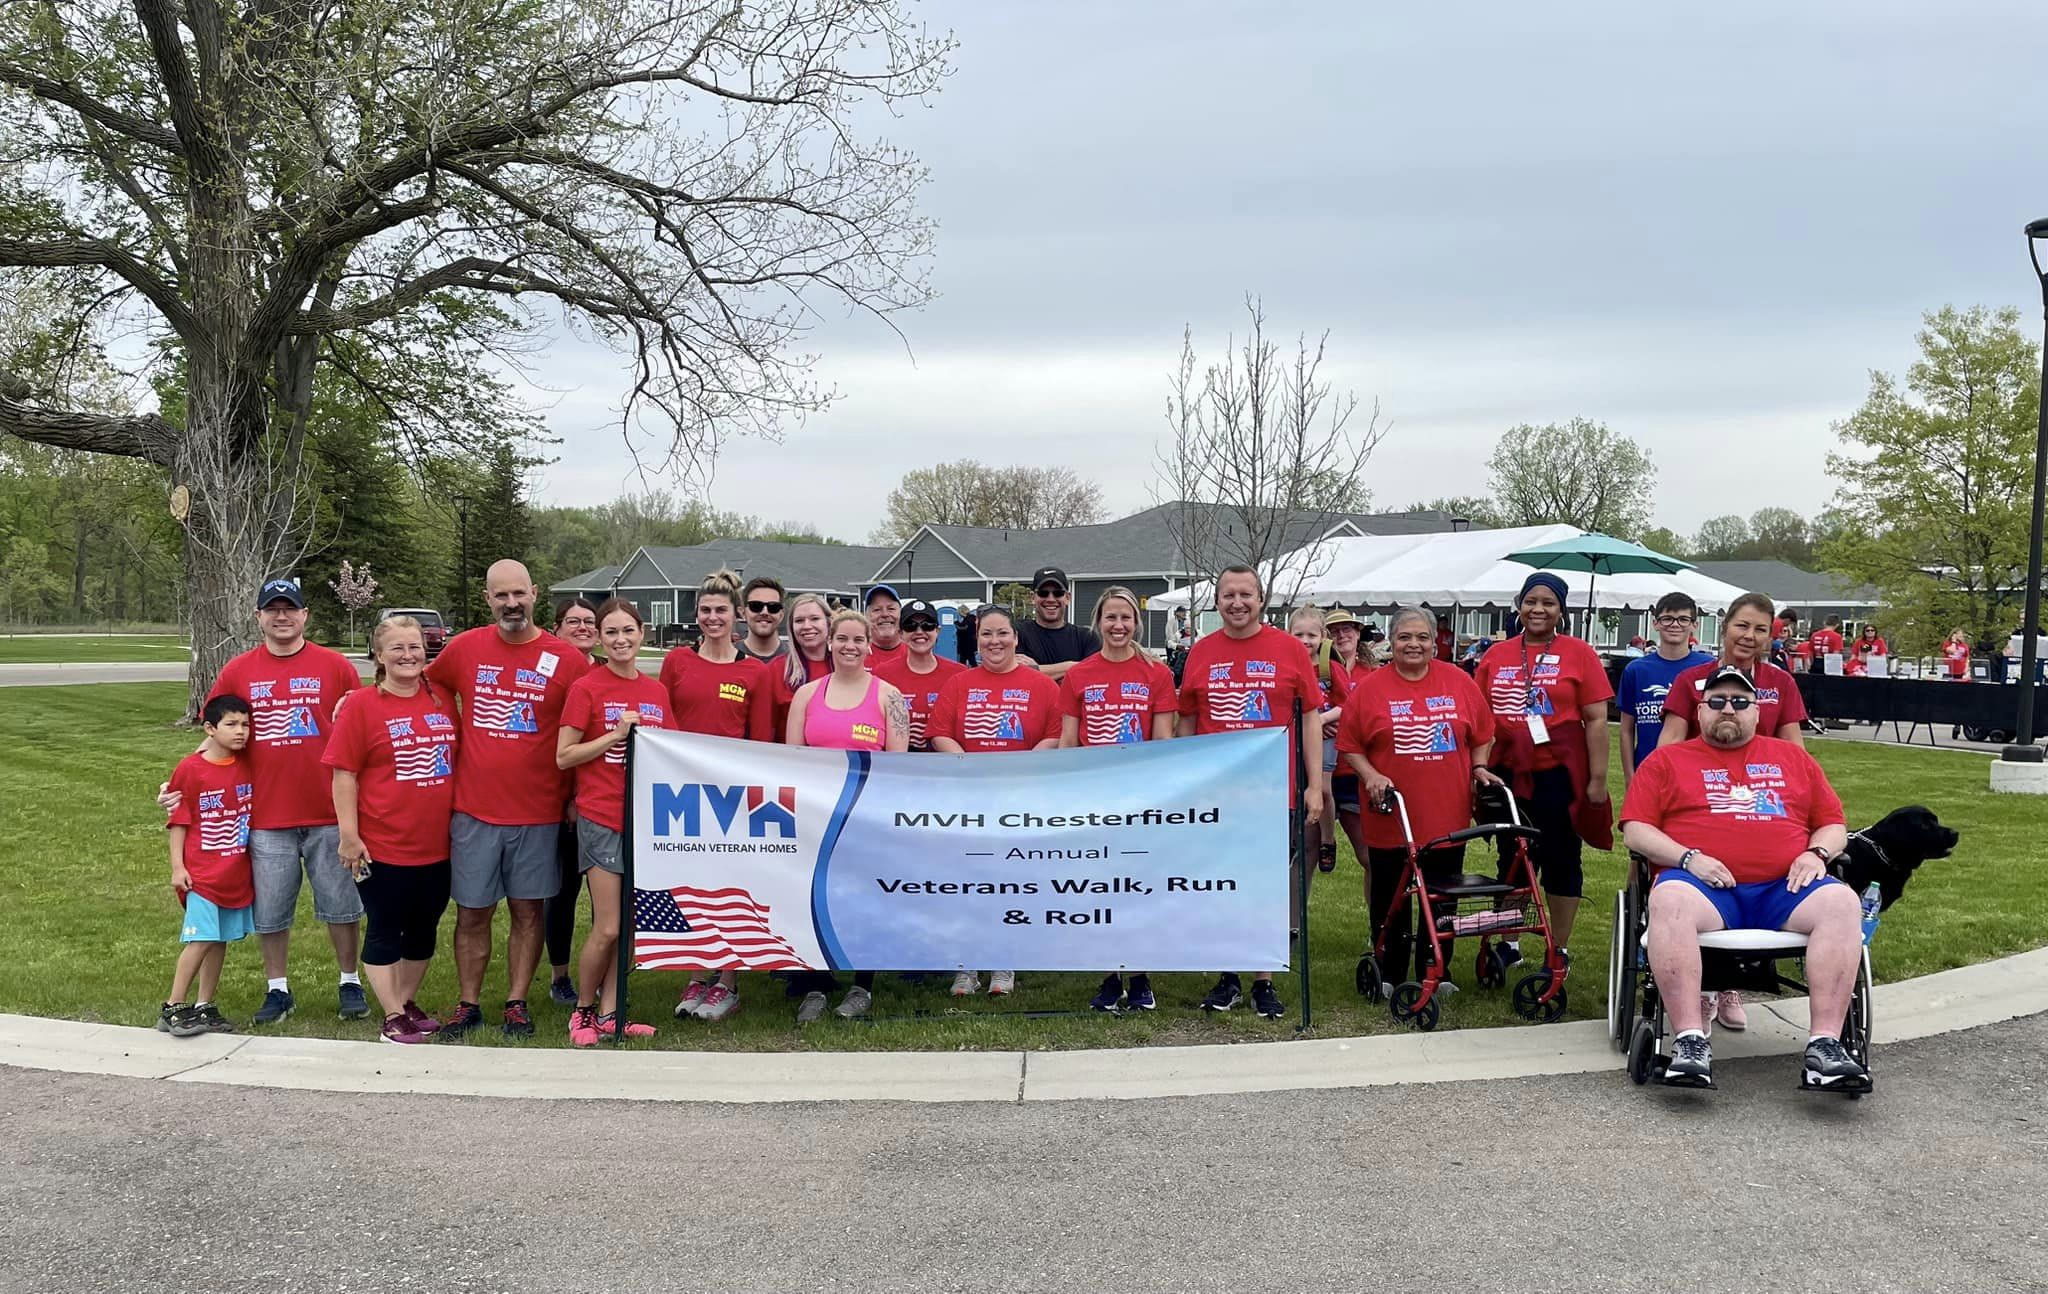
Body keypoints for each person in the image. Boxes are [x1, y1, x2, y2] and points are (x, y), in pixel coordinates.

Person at [1620, 665, 1866, 1091]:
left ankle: (1825, 1046)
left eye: (1739, 702)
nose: (1728, 709)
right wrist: (1688, 857)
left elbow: (1833, 825)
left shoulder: (1793, 758)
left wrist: (1817, 852)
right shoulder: (1667, 760)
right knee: (1670, 899)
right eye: (1716, 702)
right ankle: (1690, 1041)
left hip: (1783, 890)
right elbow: (1635, 829)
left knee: (1842, 902)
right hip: (1704, 893)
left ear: (1756, 711)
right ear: (1699, 712)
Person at [425, 559, 593, 1039]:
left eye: (519, 593)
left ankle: (517, 1001)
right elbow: (428, 685)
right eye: (501, 596)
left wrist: (575, 795)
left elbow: (587, 726)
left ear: (535, 593)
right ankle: (468, 1002)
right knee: (472, 912)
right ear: (488, 599)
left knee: (528, 912)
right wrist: (448, 731)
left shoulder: (566, 658)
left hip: (539, 812)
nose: (512, 603)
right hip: (475, 809)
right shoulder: (465, 648)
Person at [190, 577, 369, 1026]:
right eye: (273, 609)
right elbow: (215, 735)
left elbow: (359, 731)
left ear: (306, 615)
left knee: (341, 905)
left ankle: (350, 981)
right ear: (259, 618)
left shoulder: (336, 667)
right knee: (271, 911)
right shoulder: (238, 671)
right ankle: (278, 990)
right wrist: (187, 778)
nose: (282, 616)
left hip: (329, 811)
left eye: (291, 608)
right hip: (267, 814)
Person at [1175, 564, 1325, 1019]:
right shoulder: (1201, 652)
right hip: (1217, 794)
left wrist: (1315, 785)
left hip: (1273, 790)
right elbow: (1187, 721)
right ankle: (1227, 976)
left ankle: (1263, 979)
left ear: (1261, 600)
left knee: (1265, 888)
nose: (1237, 603)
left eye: (1246, 594)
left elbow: (1312, 717)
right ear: (1217, 602)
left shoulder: (1288, 649)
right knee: (1223, 885)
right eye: (1228, 595)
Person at [1338, 607, 1501, 994]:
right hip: (1391, 814)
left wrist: (1479, 768)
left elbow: (1483, 734)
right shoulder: (1371, 689)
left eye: (1422, 637)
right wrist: (1371, 774)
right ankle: (1389, 970)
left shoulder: (1458, 682)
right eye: (1405, 637)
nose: (1414, 644)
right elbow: (1350, 746)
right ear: (1390, 643)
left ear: (1434, 642)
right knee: (1390, 896)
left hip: (1446, 813)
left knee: (1442, 897)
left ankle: (1437, 969)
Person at [322, 616, 459, 1045]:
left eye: (414, 646)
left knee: (424, 929)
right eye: (396, 648)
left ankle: (407, 1002)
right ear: (378, 656)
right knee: (385, 927)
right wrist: (349, 835)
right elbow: (344, 774)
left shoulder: (442, 701)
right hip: (382, 844)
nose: (408, 655)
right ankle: (392, 1016)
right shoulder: (361, 706)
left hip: (437, 844)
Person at [1473, 572, 1613, 975]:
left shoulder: (1579, 652)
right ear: (1519, 605)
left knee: (1561, 857)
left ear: (1561, 610)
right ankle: (1510, 941)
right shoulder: (1496, 655)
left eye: (1548, 602)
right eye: (1531, 600)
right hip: (1507, 773)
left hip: (1559, 773)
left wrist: (1598, 780)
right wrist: (1477, 767)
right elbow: (1480, 719)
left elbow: (1597, 720)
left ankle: (1559, 947)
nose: (1538, 609)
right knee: (1512, 857)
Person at [930, 604, 1063, 998]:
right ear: (977, 639)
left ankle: (1004, 962)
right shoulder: (960, 683)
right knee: (968, 882)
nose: (994, 641)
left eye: (1002, 633)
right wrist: (969, 765)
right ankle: (966, 966)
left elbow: (1055, 735)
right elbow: (939, 732)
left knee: (1010, 883)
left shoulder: (1042, 686)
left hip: (1020, 800)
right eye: (987, 634)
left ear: (1016, 638)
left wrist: (1020, 768)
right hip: (969, 800)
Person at [1057, 586, 1178, 1013]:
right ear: (1099, 623)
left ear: (1137, 623)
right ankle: (1109, 976)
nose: (1118, 626)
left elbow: (1163, 742)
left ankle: (1142, 977)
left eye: (1126, 618)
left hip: (1139, 799)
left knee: (1137, 888)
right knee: (1099, 890)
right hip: (1093, 798)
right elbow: (1069, 742)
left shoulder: (1156, 674)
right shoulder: (1079, 675)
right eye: (1111, 618)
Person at [785, 609, 910, 1021]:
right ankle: (817, 986)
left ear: (869, 645)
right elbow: (792, 761)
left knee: (865, 902)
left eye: (858, 640)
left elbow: (897, 767)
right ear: (830, 643)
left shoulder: (888, 697)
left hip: (866, 818)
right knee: (815, 899)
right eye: (842, 639)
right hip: (818, 818)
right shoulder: (807, 695)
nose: (850, 646)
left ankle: (862, 985)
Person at [558, 598, 672, 1046]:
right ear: (600, 639)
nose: (621, 640)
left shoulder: (656, 691)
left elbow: (671, 750)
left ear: (642, 633)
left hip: (643, 820)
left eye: (629, 631)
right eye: (612, 633)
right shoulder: (587, 688)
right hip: (602, 816)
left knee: (631, 926)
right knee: (607, 926)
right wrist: (614, 735)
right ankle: (582, 1011)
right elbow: (564, 755)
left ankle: (612, 1012)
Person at [662, 571, 775, 1021]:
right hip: (679, 793)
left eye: (721, 611)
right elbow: (660, 727)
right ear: (697, 614)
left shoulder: (754, 671)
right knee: (689, 887)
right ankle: (696, 973)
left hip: (731, 799)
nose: (713, 618)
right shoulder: (677, 663)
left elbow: (762, 740)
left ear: (737, 617)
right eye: (706, 610)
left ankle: (727, 980)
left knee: (728, 887)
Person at [158, 694, 256, 1037]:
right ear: (210, 729)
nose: (240, 731)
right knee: (200, 940)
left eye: (245, 724)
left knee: (220, 941)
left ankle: (204, 1005)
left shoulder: (249, 764)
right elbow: (179, 821)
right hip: (201, 875)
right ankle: (173, 1006)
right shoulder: (191, 768)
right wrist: (177, 868)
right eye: (231, 724)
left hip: (236, 875)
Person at [543, 595, 603, 1007]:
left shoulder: (607, 673)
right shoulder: (548, 672)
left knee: (606, 897)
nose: (582, 627)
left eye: (589, 621)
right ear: (557, 628)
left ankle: (602, 974)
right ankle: (560, 975)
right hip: (555, 793)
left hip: (598, 799)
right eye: (572, 621)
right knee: (562, 892)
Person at [1658, 592, 1809, 750]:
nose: (1750, 636)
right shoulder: (1688, 680)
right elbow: (1669, 745)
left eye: (1760, 629)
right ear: (1725, 627)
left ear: (1769, 636)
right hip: (1700, 772)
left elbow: (1794, 750)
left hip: (1758, 773)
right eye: (1742, 626)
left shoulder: (1781, 682)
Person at [1617, 592, 1714, 786]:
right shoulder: (1636, 670)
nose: (1675, 625)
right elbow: (1626, 729)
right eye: (1667, 619)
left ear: (1695, 625)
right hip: (1647, 768)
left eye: (1683, 619)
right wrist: (1630, 776)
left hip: (1696, 771)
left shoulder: (1709, 667)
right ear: (1655, 623)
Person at [870, 597, 965, 752]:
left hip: (945, 763)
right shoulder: (882, 673)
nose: (919, 632)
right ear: (900, 634)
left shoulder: (959, 674)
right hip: (900, 763)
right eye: (911, 626)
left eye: (927, 625)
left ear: (937, 631)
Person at [1289, 606, 1343, 877]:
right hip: (1297, 736)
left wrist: (1322, 721)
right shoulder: (1288, 665)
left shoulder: (1328, 667)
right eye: (1298, 634)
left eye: (1312, 634)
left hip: (1325, 734)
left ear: (1323, 636)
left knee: (1322, 787)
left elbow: (1349, 704)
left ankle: (1328, 838)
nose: (1305, 640)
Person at [1322, 608, 1376, 875]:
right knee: (1306, 854)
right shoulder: (1312, 669)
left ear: (1358, 634)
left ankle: (1377, 918)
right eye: (1334, 631)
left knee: (1369, 857)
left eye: (1347, 629)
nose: (1341, 635)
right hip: (1319, 773)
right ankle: (1293, 918)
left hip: (1355, 774)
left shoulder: (1373, 674)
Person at [1014, 566, 1101, 683]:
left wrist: (1036, 669)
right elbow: (1018, 676)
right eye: (1043, 593)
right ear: (1033, 598)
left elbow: (1094, 675)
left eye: (1058, 593)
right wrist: (1075, 666)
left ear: (1068, 598)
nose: (1050, 599)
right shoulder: (1018, 633)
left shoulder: (1086, 637)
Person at [769, 592, 834, 737]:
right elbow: (767, 727)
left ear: (829, 623)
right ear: (791, 627)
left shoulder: (846, 668)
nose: (807, 626)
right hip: (791, 757)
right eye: (799, 621)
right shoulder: (777, 669)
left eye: (815, 619)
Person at [739, 576, 788, 662]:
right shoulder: (726, 658)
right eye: (756, 606)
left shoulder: (796, 659)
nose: (764, 612)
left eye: (773, 607)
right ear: (743, 613)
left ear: (781, 615)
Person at [864, 584, 907, 664]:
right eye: (877, 610)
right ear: (867, 617)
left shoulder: (915, 655)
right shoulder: (856, 656)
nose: (885, 614)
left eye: (891, 609)